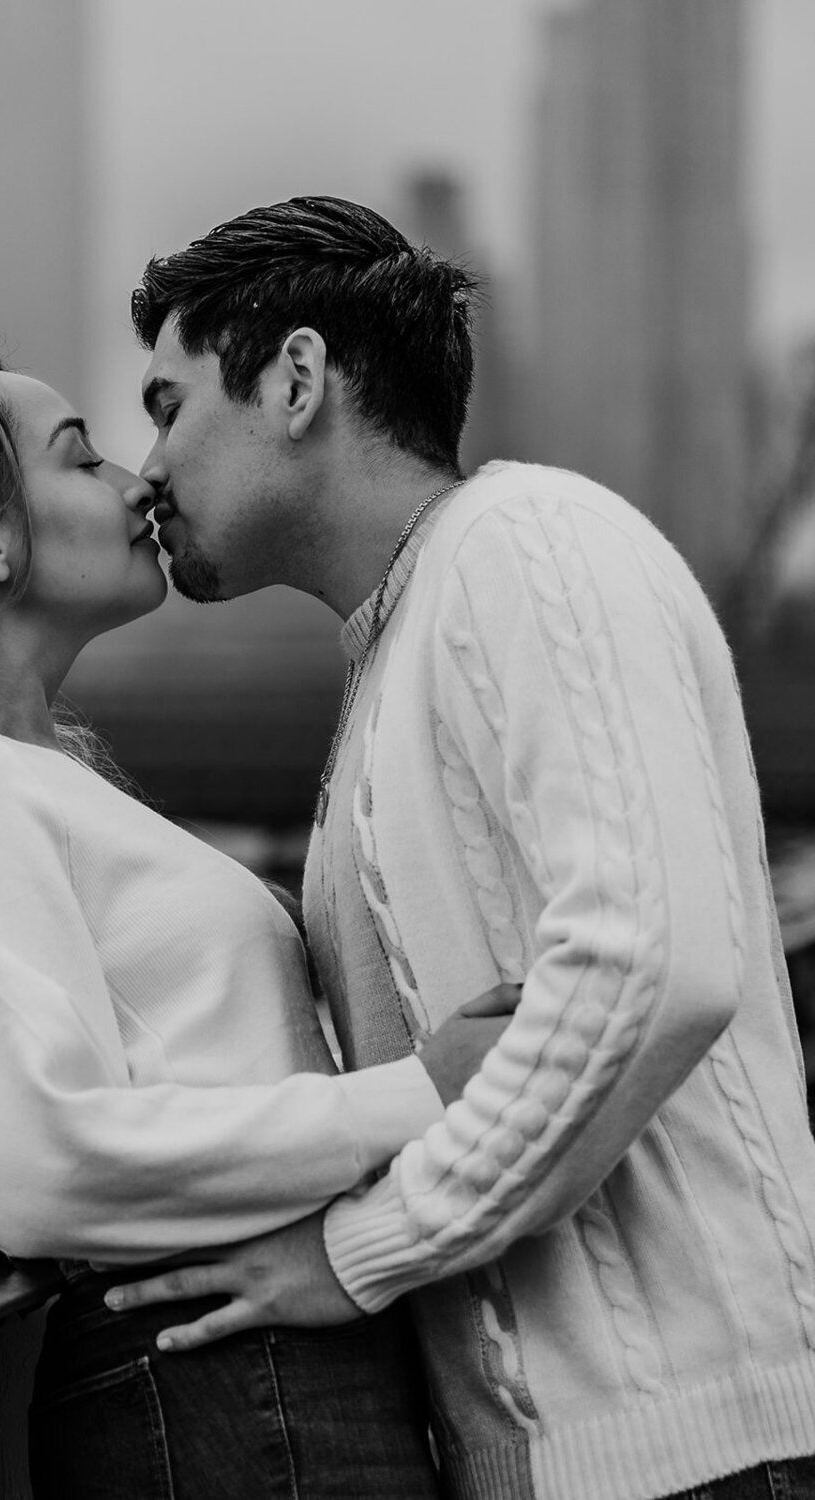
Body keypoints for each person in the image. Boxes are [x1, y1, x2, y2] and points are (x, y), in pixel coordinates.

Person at [107, 197, 815, 1500]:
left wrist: (362, 1251)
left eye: (167, 406)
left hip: (704, 1455)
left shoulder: (528, 543)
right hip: (572, 1464)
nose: (144, 472)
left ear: (297, 378)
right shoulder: (404, 642)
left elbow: (653, 967)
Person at [0, 348, 517, 1499]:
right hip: (222, 1382)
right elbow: (30, 1162)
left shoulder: (21, 772)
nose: (135, 481)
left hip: (260, 1360)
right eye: (78, 455)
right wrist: (418, 1094)